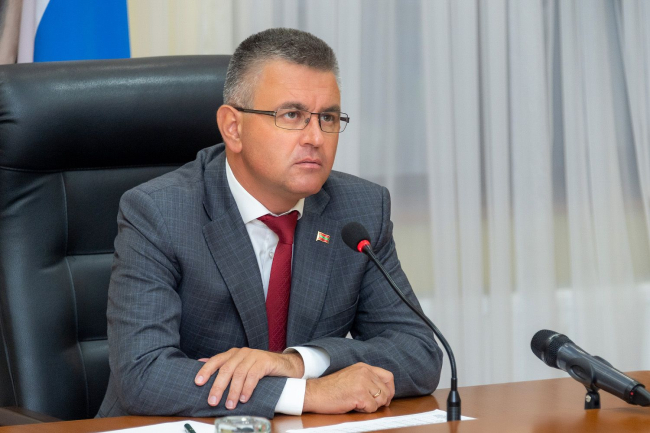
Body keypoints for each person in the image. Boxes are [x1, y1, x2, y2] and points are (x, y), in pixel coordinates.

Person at [98, 28, 442, 419]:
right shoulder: (159, 211)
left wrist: (298, 362)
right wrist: (306, 394)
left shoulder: (359, 210)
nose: (315, 137)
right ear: (233, 127)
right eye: (292, 115)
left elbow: (419, 353)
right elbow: (143, 375)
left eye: (328, 118)